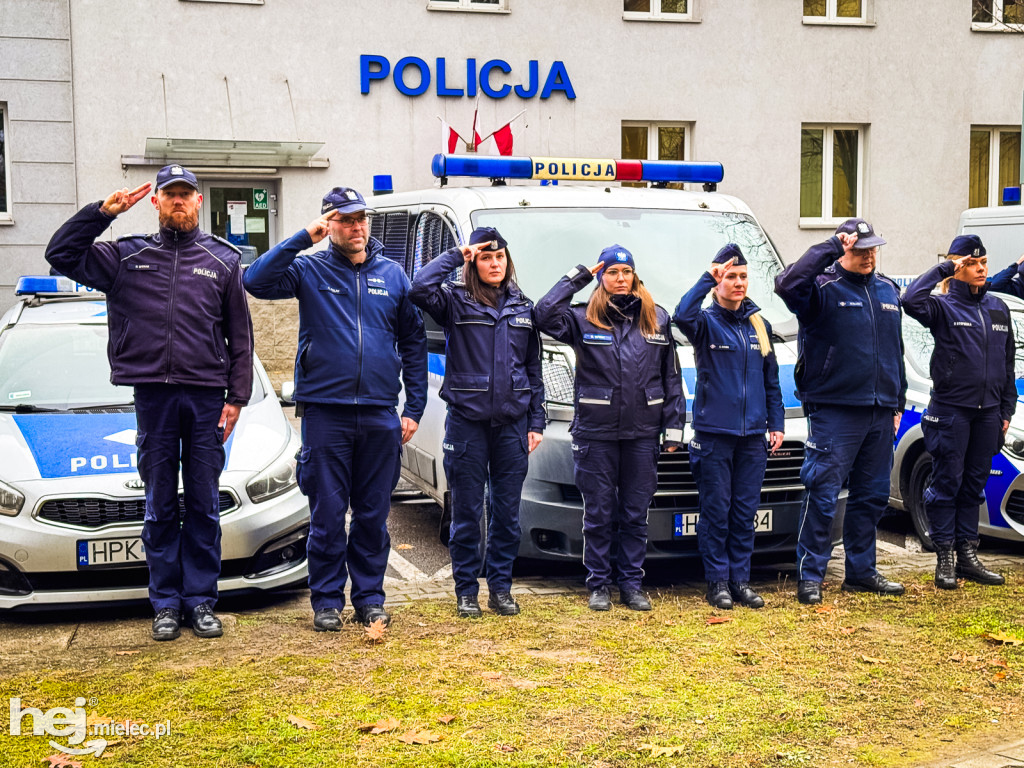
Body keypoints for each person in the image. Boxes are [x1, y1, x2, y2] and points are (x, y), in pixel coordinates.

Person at [45, 164, 254, 641]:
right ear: (156, 202)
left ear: (199, 202)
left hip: (205, 400)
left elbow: (240, 337)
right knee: (159, 503)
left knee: (203, 503)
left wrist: (237, 397)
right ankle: (164, 604)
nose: (178, 201)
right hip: (153, 397)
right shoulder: (125, 257)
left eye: (186, 194)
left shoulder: (222, 261)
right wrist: (102, 213)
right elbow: (60, 253)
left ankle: (200, 601)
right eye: (170, 194)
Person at [243, 187, 427, 631]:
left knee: (372, 517)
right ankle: (327, 601)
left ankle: (369, 599)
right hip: (326, 414)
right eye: (346, 220)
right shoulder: (309, 268)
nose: (358, 226)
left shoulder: (393, 275)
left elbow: (414, 343)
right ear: (329, 224)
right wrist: (303, 237)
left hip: (381, 414)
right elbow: (255, 280)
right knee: (327, 515)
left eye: (362, 218)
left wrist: (414, 407)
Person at [534, 245, 684, 611]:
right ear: (602, 277)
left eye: (626, 272)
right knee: (599, 514)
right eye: (612, 272)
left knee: (635, 514)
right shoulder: (583, 318)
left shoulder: (657, 318)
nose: (620, 278)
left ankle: (632, 584)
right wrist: (578, 275)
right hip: (595, 434)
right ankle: (598, 584)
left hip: (642, 434)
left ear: (635, 277)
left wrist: (675, 427)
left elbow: (671, 378)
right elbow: (542, 313)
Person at [409, 227, 545, 618]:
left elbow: (533, 370)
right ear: (474, 262)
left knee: (507, 514)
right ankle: (466, 590)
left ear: (508, 260)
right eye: (486, 257)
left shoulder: (523, 307)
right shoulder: (455, 300)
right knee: (467, 513)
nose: (494, 264)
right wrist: (458, 253)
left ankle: (500, 589)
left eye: (499, 257)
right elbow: (420, 287)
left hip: (513, 427)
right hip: (467, 424)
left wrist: (536, 421)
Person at [774, 218, 907, 605]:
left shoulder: (887, 291)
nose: (868, 256)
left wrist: (896, 402)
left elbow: (894, 351)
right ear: (844, 250)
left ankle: (861, 571)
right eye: (859, 249)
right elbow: (787, 284)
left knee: (872, 495)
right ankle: (810, 575)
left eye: (872, 250)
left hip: (881, 411)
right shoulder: (821, 290)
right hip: (835, 411)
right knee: (823, 493)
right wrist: (830, 246)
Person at [673, 244, 784, 610]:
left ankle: (740, 581)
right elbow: (681, 313)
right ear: (719, 279)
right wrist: (709, 276)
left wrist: (776, 424)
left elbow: (772, 383)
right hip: (714, 436)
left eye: (742, 277)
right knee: (716, 513)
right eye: (730, 276)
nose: (738, 283)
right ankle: (717, 583)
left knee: (743, 512)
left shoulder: (759, 325)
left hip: (753, 437)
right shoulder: (705, 322)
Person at [903, 235, 1013, 589]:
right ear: (958, 267)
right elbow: (909, 299)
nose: (981, 269)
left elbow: (1008, 364)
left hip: (989, 413)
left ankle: (967, 554)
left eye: (983, 263)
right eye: (972, 264)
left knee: (974, 484)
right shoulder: (943, 307)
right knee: (946, 483)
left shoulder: (998, 307)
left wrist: (1006, 409)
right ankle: (945, 556)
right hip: (951, 410)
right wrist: (946, 268)